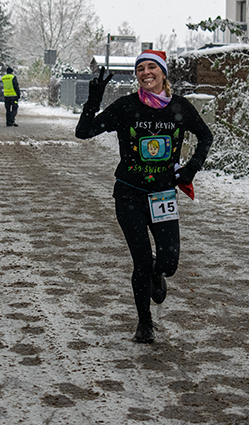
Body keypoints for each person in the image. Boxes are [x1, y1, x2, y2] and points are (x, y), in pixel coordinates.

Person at [76, 50, 213, 344]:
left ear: (163, 73)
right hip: (129, 195)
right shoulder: (126, 107)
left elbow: (206, 135)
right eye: (141, 68)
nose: (146, 72)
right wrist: (94, 100)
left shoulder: (179, 107)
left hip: (163, 195)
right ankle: (145, 323)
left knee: (169, 262)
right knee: (140, 263)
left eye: (152, 67)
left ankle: (157, 271)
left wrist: (191, 169)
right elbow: (84, 132)